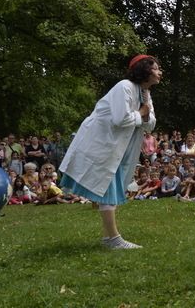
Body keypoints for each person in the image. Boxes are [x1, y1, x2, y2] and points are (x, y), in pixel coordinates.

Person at [60, 54, 161, 249]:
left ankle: (109, 238)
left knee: (110, 186)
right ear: (144, 70)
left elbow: (151, 125)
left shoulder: (146, 94)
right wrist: (141, 113)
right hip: (102, 142)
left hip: (119, 146)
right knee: (109, 186)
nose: (160, 72)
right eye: (156, 68)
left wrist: (145, 115)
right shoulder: (124, 87)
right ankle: (113, 239)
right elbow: (120, 120)